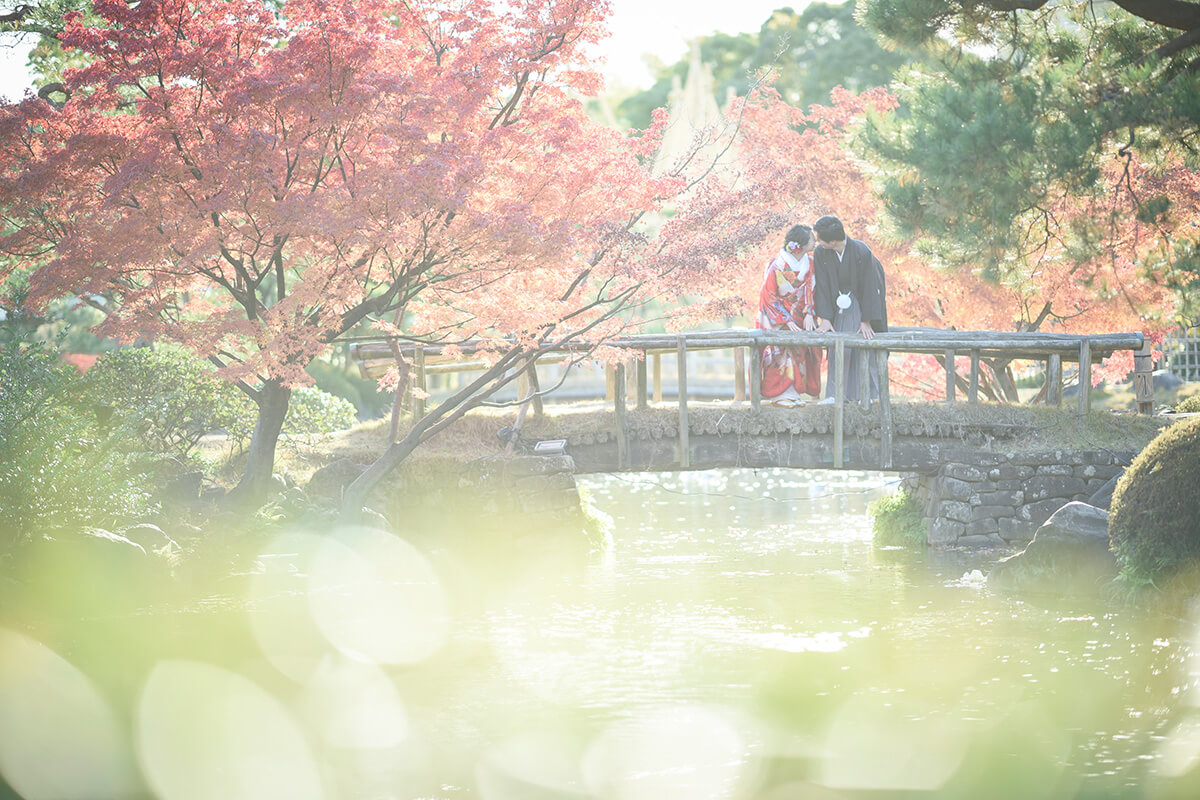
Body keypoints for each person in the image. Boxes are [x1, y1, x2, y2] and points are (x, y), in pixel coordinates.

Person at [812, 215, 888, 403]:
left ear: (833, 241)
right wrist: (825, 318)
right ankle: (835, 394)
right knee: (837, 348)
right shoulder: (822, 253)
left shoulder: (861, 251)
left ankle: (867, 394)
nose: (817, 242)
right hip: (836, 306)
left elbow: (871, 286)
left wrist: (866, 320)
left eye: (820, 239)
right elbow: (821, 285)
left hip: (861, 305)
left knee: (863, 345)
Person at [755, 224, 822, 407]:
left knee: (801, 353)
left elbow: (811, 289)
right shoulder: (777, 264)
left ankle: (794, 393)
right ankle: (779, 395)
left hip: (801, 315)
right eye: (811, 239)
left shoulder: (810, 263)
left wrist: (809, 312)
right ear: (800, 243)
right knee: (781, 352)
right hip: (779, 315)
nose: (814, 242)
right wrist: (784, 319)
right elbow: (768, 294)